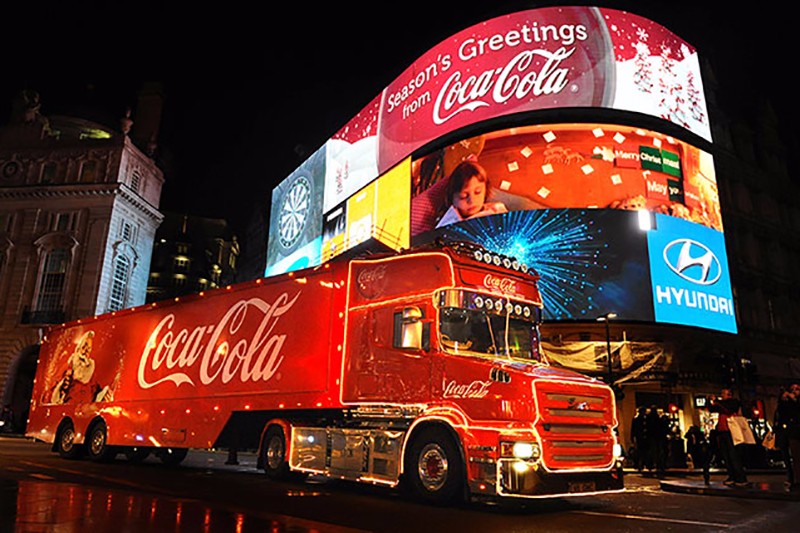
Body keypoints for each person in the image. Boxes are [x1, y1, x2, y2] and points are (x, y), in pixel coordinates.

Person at [435, 159, 507, 229]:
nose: (472, 201)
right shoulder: (448, 223)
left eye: (478, 192)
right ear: (452, 198)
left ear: (486, 191)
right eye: (463, 196)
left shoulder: (497, 209)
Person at [709, 388, 750, 487]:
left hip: (731, 431)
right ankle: (732, 475)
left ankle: (740, 477)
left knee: (733, 455)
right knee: (726, 455)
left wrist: (717, 401)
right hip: (722, 432)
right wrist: (710, 402)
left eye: (724, 393)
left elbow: (727, 409)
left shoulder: (733, 403)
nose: (722, 395)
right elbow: (712, 409)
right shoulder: (721, 404)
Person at [773, 387, 795, 488]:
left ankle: (792, 477)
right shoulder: (780, 406)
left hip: (791, 431)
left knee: (793, 455)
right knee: (785, 455)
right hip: (782, 431)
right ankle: (790, 476)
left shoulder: (791, 405)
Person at [783, 383, 800, 491]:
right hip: (794, 431)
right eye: (792, 389)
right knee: (796, 457)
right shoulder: (788, 402)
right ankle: (797, 480)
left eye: (797, 389)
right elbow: (784, 413)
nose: (794, 391)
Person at [630, 406, 648, 472]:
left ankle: (640, 464)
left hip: (640, 437)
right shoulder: (640, 420)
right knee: (640, 451)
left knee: (641, 451)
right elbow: (634, 430)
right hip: (640, 437)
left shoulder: (639, 419)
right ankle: (639, 464)